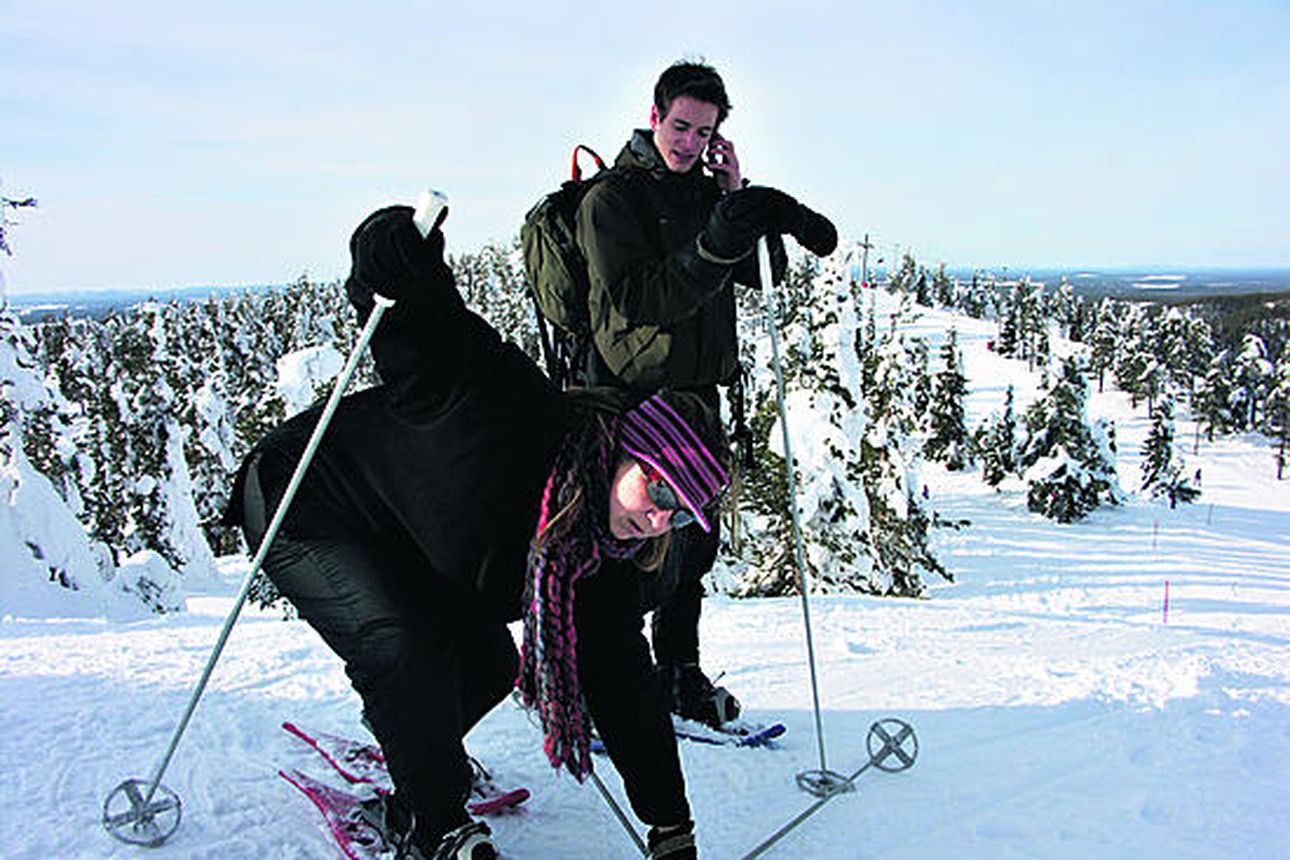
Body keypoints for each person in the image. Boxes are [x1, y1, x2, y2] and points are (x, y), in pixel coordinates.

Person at [224, 205, 731, 859]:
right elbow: (422, 324)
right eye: (660, 485)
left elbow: (625, 687)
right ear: (627, 447)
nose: (659, 517)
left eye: (681, 510)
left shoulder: (594, 558)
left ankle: (415, 751)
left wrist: (671, 830)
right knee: (405, 648)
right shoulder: (505, 409)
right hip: (307, 500)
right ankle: (427, 826)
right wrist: (398, 249)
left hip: (401, 538)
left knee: (491, 663)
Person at [574, 60, 837, 728]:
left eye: (705, 131)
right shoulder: (611, 200)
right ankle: (611, 684)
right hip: (633, 404)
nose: (689, 142)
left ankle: (679, 675)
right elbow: (638, 299)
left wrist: (734, 198)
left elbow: (765, 275)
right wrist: (717, 239)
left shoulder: (705, 193)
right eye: (681, 126)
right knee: (636, 551)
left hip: (697, 400)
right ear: (655, 114)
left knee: (692, 550)